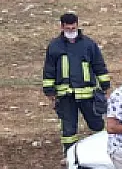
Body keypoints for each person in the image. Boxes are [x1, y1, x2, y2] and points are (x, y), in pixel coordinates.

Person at [42, 12, 112, 151]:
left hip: (87, 94)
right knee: (68, 129)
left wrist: (105, 86)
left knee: (97, 124)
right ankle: (70, 155)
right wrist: (49, 91)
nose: (71, 31)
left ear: (77, 26)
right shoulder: (55, 46)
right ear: (62, 27)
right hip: (65, 96)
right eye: (68, 29)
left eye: (73, 29)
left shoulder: (89, 44)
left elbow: (99, 65)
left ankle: (105, 150)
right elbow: (49, 69)